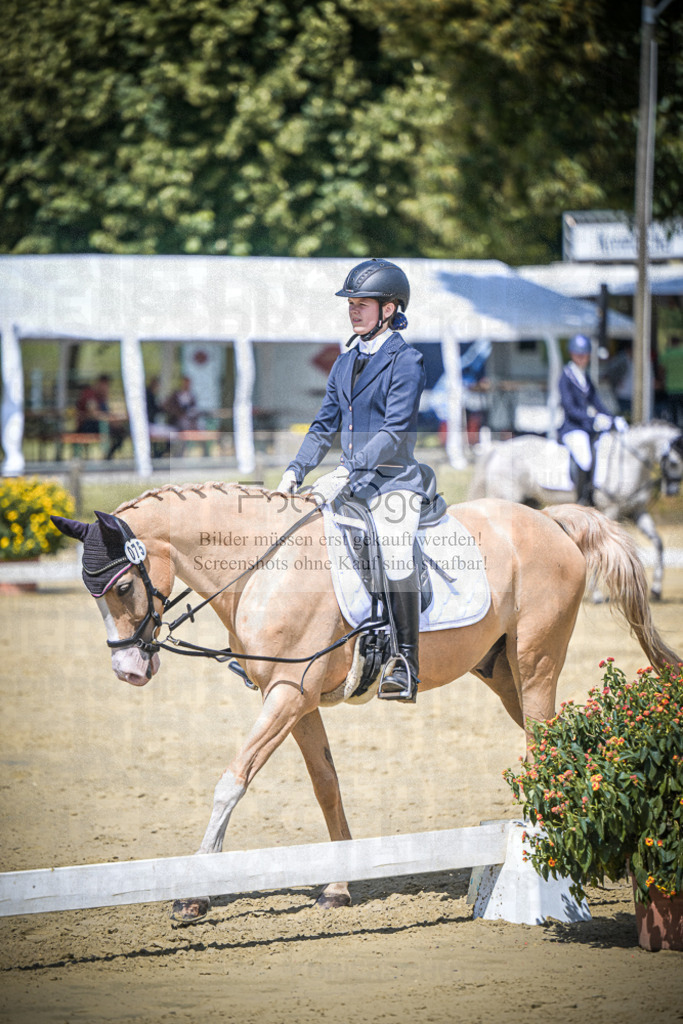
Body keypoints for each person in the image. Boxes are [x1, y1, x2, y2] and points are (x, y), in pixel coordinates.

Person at [277, 259, 426, 703]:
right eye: (351, 304)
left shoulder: (407, 361)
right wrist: (295, 471)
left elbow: (393, 432)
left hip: (393, 482)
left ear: (389, 309)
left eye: (362, 304)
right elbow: (323, 426)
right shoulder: (344, 363)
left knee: (395, 550)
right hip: (350, 483)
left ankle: (405, 663)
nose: (353, 311)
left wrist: (346, 470)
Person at [558, 334, 625, 506]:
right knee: (585, 457)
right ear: (572, 354)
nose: (582, 358)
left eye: (585, 355)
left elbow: (597, 402)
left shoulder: (585, 377)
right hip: (573, 427)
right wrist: (593, 418)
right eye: (578, 355)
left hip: (588, 427)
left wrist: (613, 418)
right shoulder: (566, 377)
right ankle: (582, 498)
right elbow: (570, 408)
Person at [75, 373, 127, 460]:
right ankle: (107, 456)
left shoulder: (101, 397)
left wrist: (115, 418)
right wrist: (110, 419)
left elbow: (106, 413)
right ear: (99, 383)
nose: (106, 388)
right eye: (105, 385)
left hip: (101, 425)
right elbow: (93, 413)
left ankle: (109, 456)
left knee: (121, 431)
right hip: (87, 426)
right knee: (112, 428)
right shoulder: (89, 393)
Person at [660, 336, 683, 428]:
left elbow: (661, 371)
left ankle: (675, 430)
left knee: (673, 413)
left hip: (671, 388)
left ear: (671, 343)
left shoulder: (666, 355)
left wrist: (662, 382)